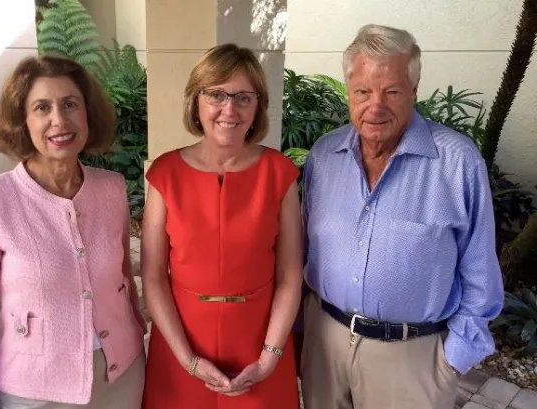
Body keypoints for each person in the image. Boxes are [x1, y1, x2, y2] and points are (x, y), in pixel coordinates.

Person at [299, 24, 504, 409]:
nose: (375, 106)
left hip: (412, 361)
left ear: (414, 90)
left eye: (391, 91)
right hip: (324, 345)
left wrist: (451, 361)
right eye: (363, 91)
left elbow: (480, 275)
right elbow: (305, 251)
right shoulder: (324, 156)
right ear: (349, 93)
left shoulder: (457, 163)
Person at [0, 55, 147, 409]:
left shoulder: (111, 188)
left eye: (70, 104)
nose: (59, 120)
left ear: (87, 114)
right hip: (36, 393)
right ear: (22, 121)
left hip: (122, 376)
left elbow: (123, 281)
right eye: (42, 107)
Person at [140, 43, 303, 409]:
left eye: (243, 97)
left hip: (260, 346)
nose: (229, 109)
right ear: (196, 100)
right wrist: (188, 360)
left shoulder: (279, 173)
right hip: (181, 346)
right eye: (216, 95)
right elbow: (153, 276)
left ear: (257, 106)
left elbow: (290, 275)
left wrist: (270, 357)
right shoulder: (165, 174)